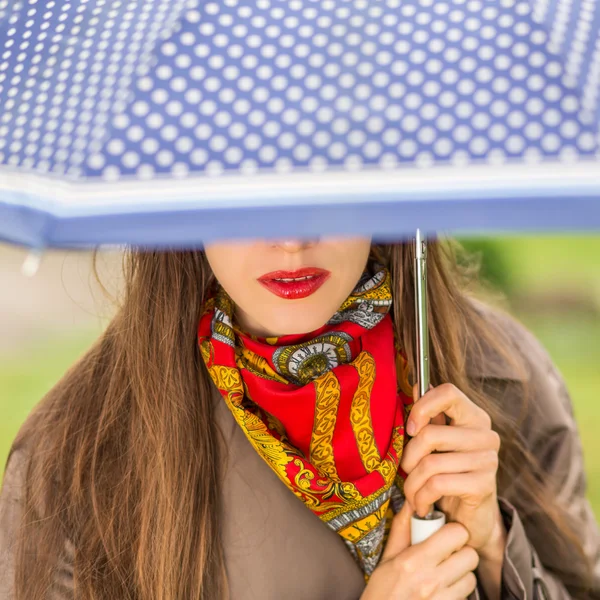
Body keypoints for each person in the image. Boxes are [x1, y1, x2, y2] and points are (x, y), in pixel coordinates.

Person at [0, 236, 599, 600]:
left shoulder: (508, 377)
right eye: (246, 184)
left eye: (325, 176)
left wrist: (495, 546)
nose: (291, 238)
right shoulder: (74, 456)